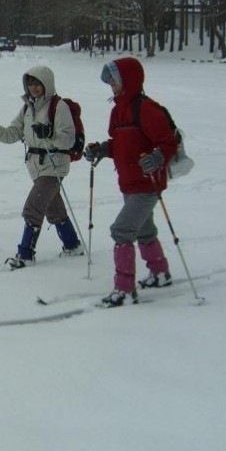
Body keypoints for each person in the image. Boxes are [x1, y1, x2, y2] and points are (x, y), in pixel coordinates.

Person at [84, 57, 178, 307]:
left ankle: (125, 289)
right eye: (110, 82)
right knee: (144, 229)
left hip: (147, 183)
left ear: (129, 80)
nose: (112, 85)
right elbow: (120, 144)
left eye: (115, 80)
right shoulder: (118, 110)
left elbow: (169, 142)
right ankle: (160, 273)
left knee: (122, 230)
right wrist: (102, 150)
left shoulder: (146, 109)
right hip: (129, 182)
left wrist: (158, 157)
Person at [0, 65, 83, 269]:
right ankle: (72, 245)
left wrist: (49, 133)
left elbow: (69, 140)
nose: (34, 88)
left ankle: (25, 254)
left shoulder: (58, 106)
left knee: (33, 207)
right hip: (35, 167)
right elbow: (12, 134)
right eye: (30, 83)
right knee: (53, 208)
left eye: (38, 83)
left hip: (55, 165)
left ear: (47, 84)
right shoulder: (28, 107)